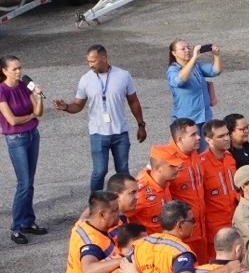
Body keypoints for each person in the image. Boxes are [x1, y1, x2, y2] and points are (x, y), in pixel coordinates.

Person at [52, 45, 147, 192]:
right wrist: (65, 107)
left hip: (120, 133)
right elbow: (78, 105)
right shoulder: (85, 79)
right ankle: (94, 205)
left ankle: (124, 204)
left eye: (93, 61)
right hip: (97, 134)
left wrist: (141, 125)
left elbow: (133, 101)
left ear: (104, 58)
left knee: (122, 171)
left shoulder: (123, 75)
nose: (90, 65)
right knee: (99, 172)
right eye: (88, 61)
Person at [0, 54, 45, 244]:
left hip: (32, 135)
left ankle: (28, 221)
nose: (19, 72)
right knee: (24, 183)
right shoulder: (2, 91)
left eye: (20, 67)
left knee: (30, 182)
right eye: (14, 69)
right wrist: (30, 116)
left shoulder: (24, 86)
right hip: (16, 139)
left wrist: (38, 97)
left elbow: (39, 113)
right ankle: (16, 227)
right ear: (4, 71)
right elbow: (12, 120)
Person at [154, 118, 207, 260]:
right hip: (182, 232)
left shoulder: (194, 153)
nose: (199, 137)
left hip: (201, 229)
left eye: (198, 133)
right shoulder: (167, 161)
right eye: (193, 135)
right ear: (180, 139)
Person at [199, 118, 239, 242]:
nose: (227, 138)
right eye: (221, 136)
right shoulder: (201, 164)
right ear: (208, 139)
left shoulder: (229, 158)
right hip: (215, 226)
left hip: (235, 219)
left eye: (227, 134)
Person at [166, 40, 221, 125]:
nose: (187, 50)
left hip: (205, 117)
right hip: (186, 120)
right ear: (174, 53)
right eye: (183, 49)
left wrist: (216, 56)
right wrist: (194, 57)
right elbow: (179, 81)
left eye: (188, 47)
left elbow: (215, 71)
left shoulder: (196, 65)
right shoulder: (173, 70)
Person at [133, 147, 182, 233]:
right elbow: (121, 215)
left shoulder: (166, 183)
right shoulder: (140, 192)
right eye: (172, 166)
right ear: (158, 168)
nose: (177, 169)